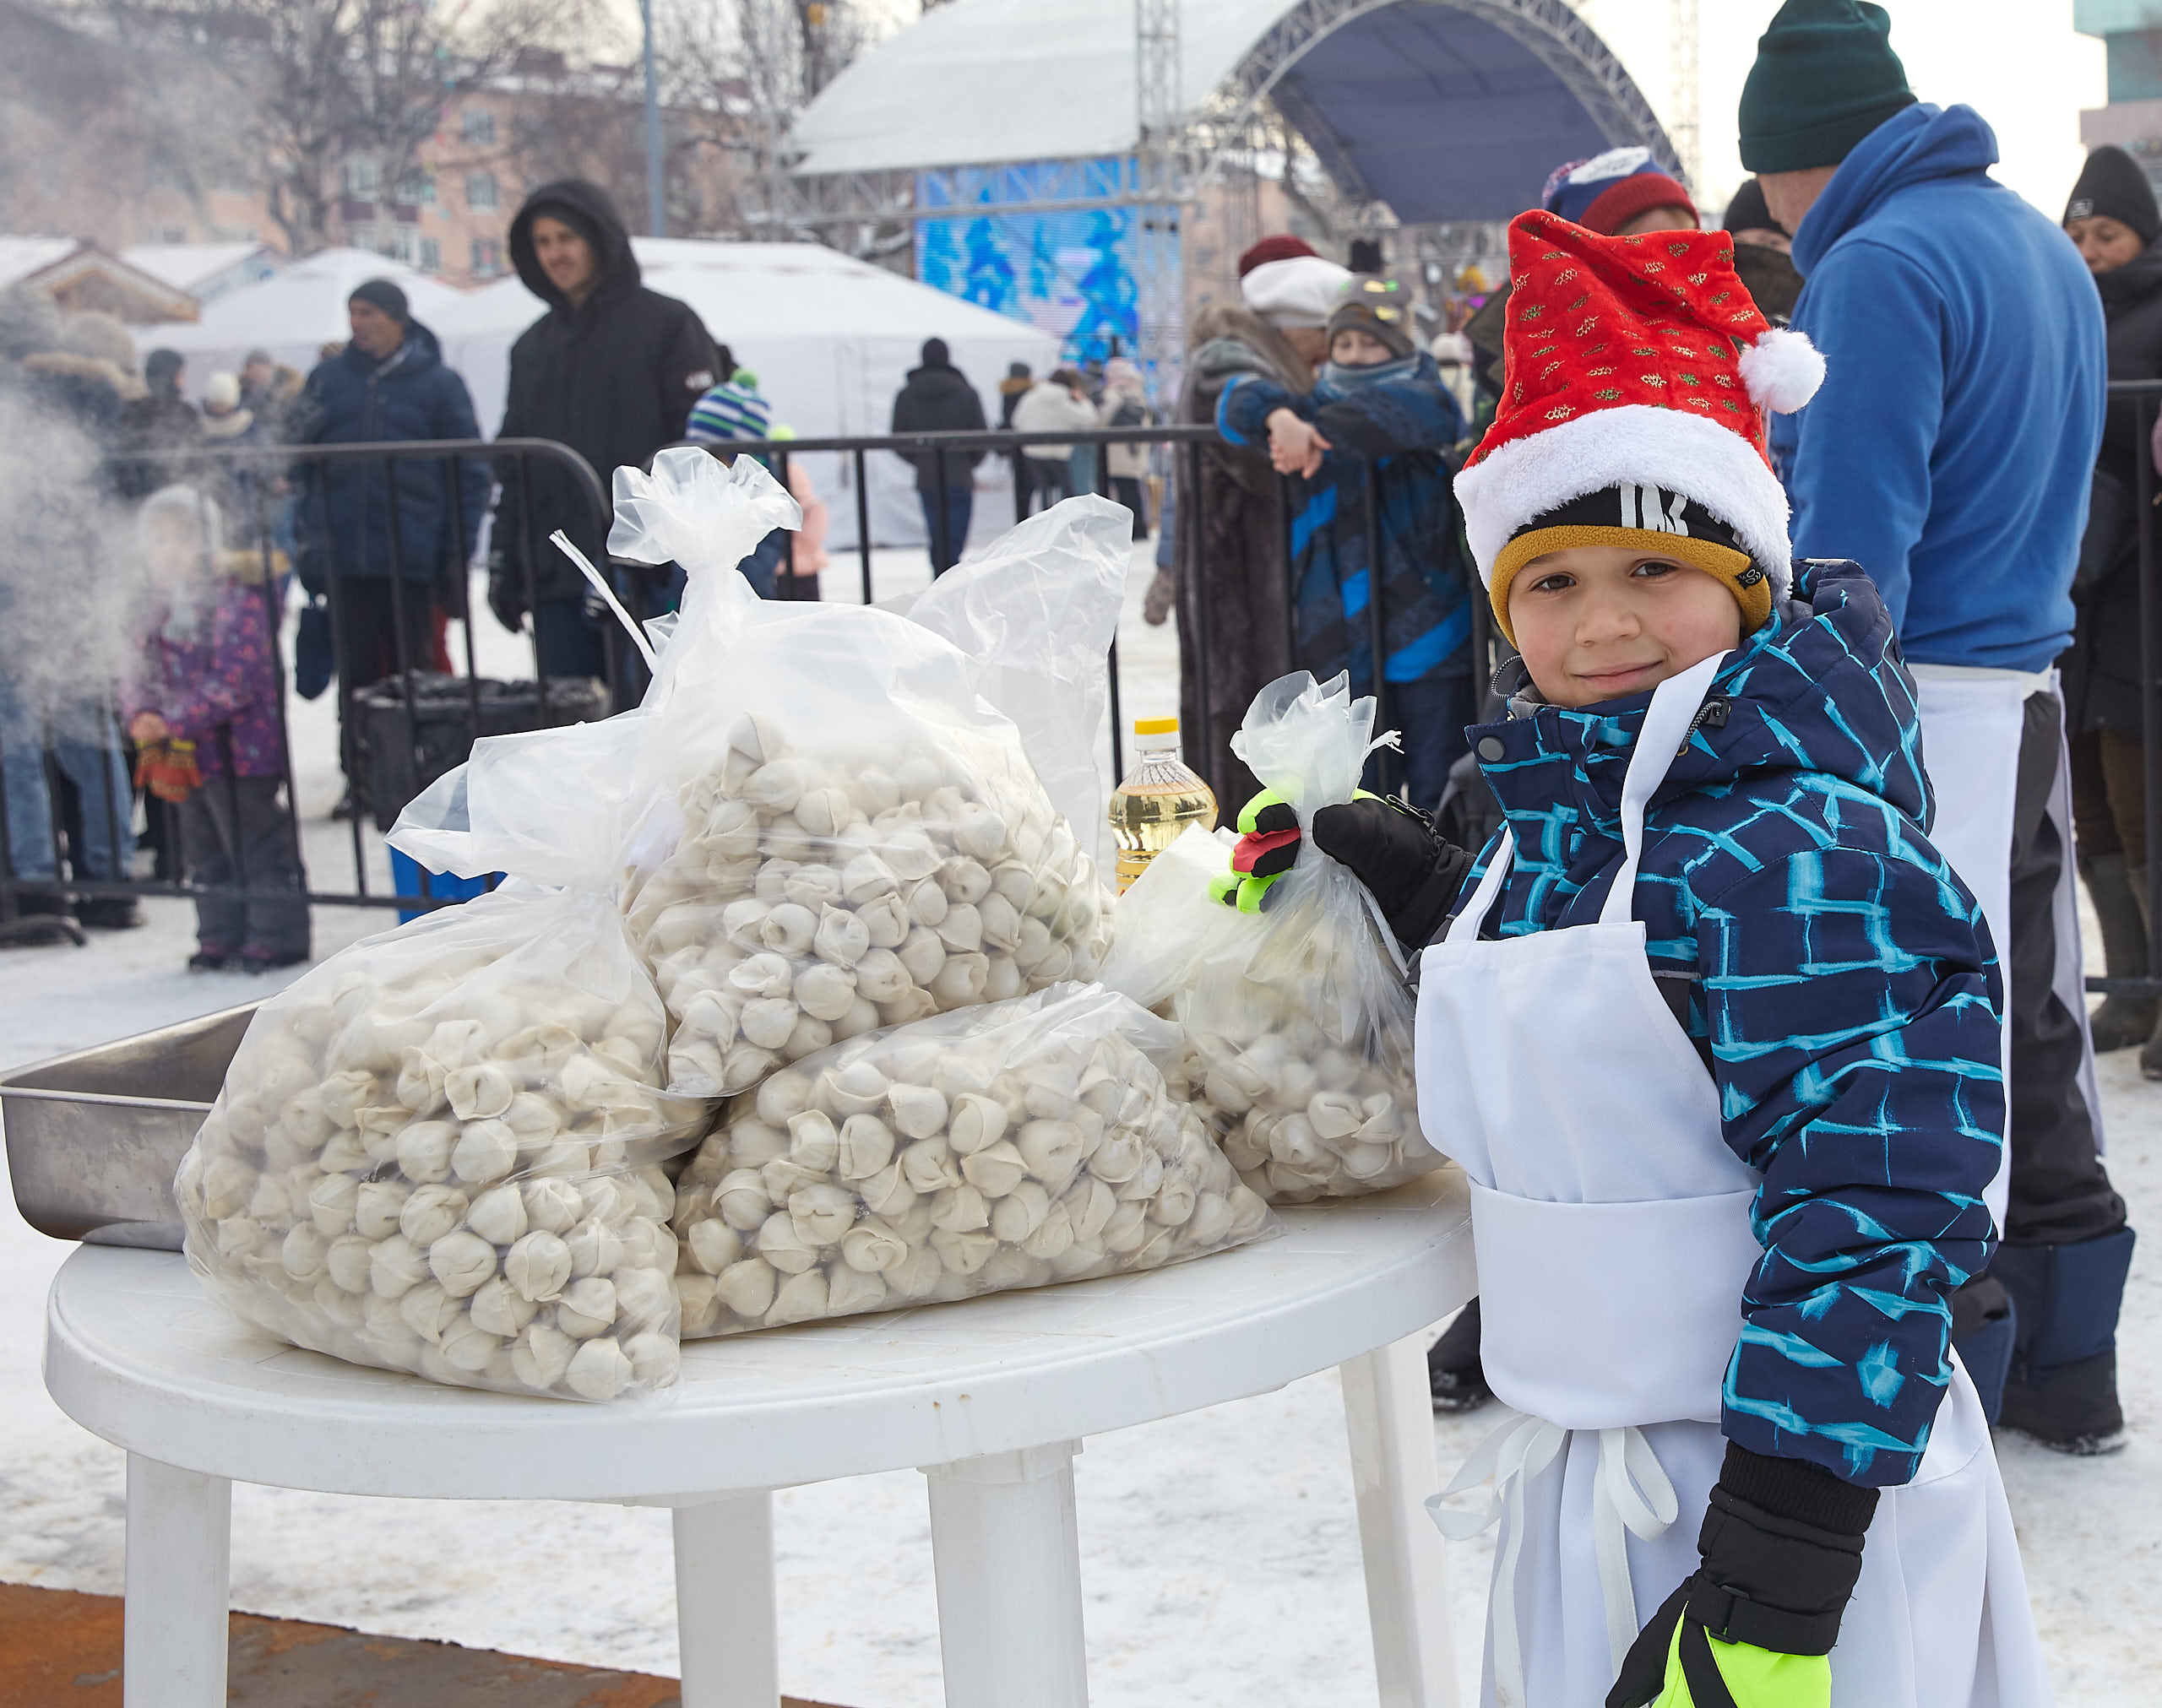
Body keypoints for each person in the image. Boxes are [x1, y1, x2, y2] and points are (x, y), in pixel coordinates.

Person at [1228, 209, 2049, 1707]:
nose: (1602, 623)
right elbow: (1615, 1039)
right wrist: (1427, 900)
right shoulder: (1563, 813)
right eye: (1552, 581)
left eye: (1650, 569)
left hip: (1785, 1500)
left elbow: (1880, 1188)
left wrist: (1778, 1572)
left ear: (1743, 579)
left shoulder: (1805, 844)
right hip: (1592, 1475)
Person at [1744, 0, 2130, 1455]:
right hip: (2025, 683)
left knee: (1912, 1050)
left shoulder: (1876, 262)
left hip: (1915, 695)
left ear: (1795, 163)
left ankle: (1944, 1384)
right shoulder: (2033, 238)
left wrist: (1817, 715)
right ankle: (2070, 1363)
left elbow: (1851, 538)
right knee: (2031, 1021)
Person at [1216, 276, 1474, 812]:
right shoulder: (1305, 407)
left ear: (1399, 347)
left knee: (1436, 786)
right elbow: (1232, 405)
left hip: (1427, 627)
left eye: (1371, 342)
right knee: (1354, 798)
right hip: (1337, 630)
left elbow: (1395, 417)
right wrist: (1278, 416)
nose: (1355, 357)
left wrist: (1302, 429)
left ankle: (1448, 893)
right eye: (1343, 344)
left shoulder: (1428, 397)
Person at [487, 180, 720, 679]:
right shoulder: (532, 347)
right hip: (558, 570)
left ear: (599, 239)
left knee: (653, 721)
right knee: (573, 726)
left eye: (566, 238)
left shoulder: (667, 323)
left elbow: (702, 443)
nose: (555, 253)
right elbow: (514, 463)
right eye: (542, 242)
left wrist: (664, 545)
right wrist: (504, 558)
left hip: (651, 574)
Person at [1146, 240, 1335, 810]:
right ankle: (1244, 854)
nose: (1324, 357)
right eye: (1320, 340)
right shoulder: (1229, 356)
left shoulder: (1251, 352)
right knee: (1242, 726)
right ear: (1292, 328)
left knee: (1256, 723)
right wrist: (1284, 415)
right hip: (1240, 586)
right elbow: (1232, 387)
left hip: (1256, 583)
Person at [292, 279, 488, 814]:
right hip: (347, 558)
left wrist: (457, 553)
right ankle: (361, 782)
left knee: (417, 675)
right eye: (352, 312)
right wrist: (309, 544)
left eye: (369, 312)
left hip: (414, 556)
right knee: (355, 680)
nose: (358, 323)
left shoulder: (439, 383)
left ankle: (425, 780)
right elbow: (302, 469)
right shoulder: (328, 381)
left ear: (398, 318)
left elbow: (469, 473)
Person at [2057, 144, 2162, 1065]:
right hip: (2073, 586)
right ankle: (2128, 991)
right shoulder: (2057, 320)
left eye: (2108, 233)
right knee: (2087, 796)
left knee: (2143, 798)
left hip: (2143, 590)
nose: (2090, 251)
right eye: (2077, 234)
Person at [0, 301, 141, 933]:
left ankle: (39, 885)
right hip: (81, 577)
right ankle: (111, 881)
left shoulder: (26, 391)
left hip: (19, 581)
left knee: (18, 741)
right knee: (90, 731)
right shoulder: (91, 386)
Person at [127, 487, 308, 972]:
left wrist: (173, 719)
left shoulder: (238, 595)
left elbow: (236, 678)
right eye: (158, 540)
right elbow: (137, 663)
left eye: (181, 540)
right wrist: (140, 712)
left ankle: (275, 933)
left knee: (255, 842)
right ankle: (219, 934)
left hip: (243, 749)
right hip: (185, 753)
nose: (168, 552)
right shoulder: (157, 602)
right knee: (203, 849)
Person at [687, 363, 789, 598]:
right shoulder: (683, 485)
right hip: (680, 611)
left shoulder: (763, 496)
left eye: (716, 457)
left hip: (741, 611)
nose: (706, 465)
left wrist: (711, 570)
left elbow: (763, 558)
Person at [889, 338, 987, 572]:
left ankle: (939, 581)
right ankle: (949, 583)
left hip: (928, 475)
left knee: (937, 535)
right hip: (959, 473)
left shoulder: (907, 394)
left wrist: (921, 459)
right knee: (955, 539)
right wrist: (968, 461)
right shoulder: (966, 392)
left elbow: (898, 437)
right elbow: (981, 435)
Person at [115, 346, 204, 497]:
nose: (183, 380)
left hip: (134, 498)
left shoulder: (129, 412)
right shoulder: (184, 414)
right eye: (181, 375)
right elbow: (198, 463)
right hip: (176, 497)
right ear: (172, 377)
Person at [1009, 367, 1098, 512]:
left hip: (1032, 453)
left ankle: (1035, 525)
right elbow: (1090, 419)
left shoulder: (1031, 397)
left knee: (1037, 495)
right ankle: (1067, 525)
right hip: (1059, 455)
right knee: (1068, 494)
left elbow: (1017, 420)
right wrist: (1083, 400)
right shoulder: (1064, 402)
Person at [1096, 355, 1155, 536]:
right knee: (1135, 491)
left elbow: (1100, 420)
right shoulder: (1139, 394)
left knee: (1120, 493)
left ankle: (1125, 531)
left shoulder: (1112, 394)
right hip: (1137, 451)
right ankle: (1140, 528)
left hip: (1116, 452)